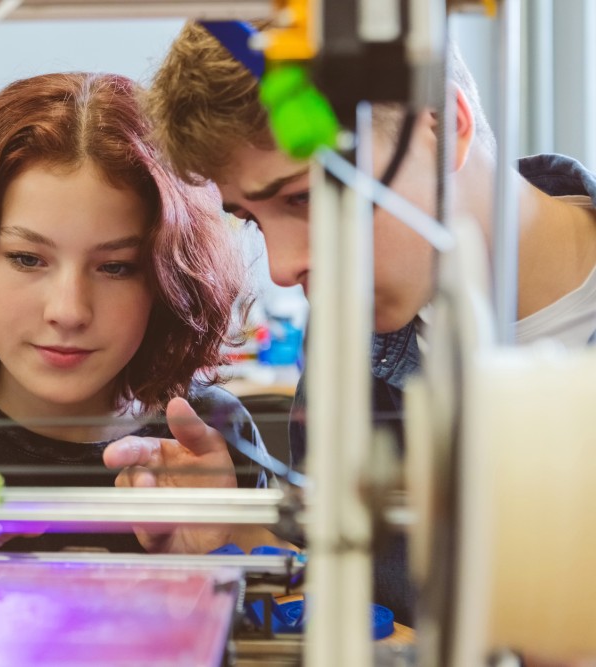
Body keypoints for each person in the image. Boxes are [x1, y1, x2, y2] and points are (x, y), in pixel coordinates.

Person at [105, 19, 596, 627]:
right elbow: (364, 612)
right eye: (252, 219)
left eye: (306, 198)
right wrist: (238, 532)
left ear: (445, 129)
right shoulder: (351, 342)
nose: (284, 269)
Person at [0, 71, 279, 557]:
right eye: (26, 259)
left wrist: (216, 554)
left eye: (116, 267)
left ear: (169, 281)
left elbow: (291, 607)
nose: (68, 311)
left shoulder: (206, 433)